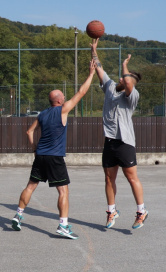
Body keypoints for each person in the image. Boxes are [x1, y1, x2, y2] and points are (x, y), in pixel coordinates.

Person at [11, 59, 97, 239]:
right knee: (63, 191)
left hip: (41, 155)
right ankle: (63, 225)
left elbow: (29, 131)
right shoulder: (63, 110)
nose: (65, 98)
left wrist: (35, 148)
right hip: (54, 157)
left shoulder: (42, 114)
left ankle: (18, 215)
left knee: (31, 186)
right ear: (59, 100)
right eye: (63, 96)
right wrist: (91, 74)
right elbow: (81, 92)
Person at [90, 38, 148, 229]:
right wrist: (94, 50)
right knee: (109, 178)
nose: (124, 79)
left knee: (131, 177)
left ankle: (141, 211)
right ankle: (111, 211)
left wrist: (125, 67)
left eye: (127, 78)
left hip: (125, 142)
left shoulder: (131, 96)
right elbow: (99, 68)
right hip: (110, 142)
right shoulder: (109, 86)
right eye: (124, 77)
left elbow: (130, 84)